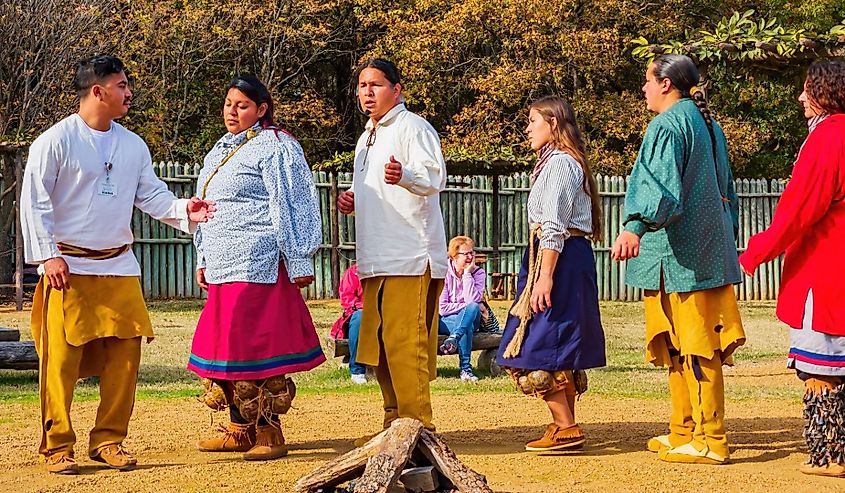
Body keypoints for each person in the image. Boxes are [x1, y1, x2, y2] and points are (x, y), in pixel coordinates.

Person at [20, 55, 215, 475]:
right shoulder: (54, 141)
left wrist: (186, 208)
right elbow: (33, 203)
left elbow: (152, 196)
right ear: (98, 91)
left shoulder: (133, 145)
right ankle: (57, 446)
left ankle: (109, 441)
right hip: (67, 268)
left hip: (120, 267)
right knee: (61, 361)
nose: (129, 93)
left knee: (125, 360)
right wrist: (48, 255)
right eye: (122, 85)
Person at [611, 54, 745, 465]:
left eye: (648, 81)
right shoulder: (706, 123)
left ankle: (712, 439)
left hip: (684, 255)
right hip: (697, 252)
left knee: (698, 345)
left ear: (666, 84)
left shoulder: (668, 125)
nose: (644, 89)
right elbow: (727, 192)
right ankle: (683, 430)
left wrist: (634, 225)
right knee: (677, 345)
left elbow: (660, 187)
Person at [188, 75, 325, 461]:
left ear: (262, 109)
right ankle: (239, 429)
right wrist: (204, 257)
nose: (233, 111)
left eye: (242, 105)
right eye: (229, 103)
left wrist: (298, 257)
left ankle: (270, 432)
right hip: (224, 263)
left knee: (256, 346)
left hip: (258, 261)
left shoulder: (278, 146)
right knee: (229, 348)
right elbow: (206, 206)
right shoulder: (220, 149)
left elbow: (292, 202)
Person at [739, 60, 845, 478]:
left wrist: (754, 253)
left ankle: (831, 454)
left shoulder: (828, 138)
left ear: (828, 92)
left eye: (807, 89)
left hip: (827, 268)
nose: (801, 98)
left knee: (822, 367)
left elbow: (798, 211)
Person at [337, 59, 448, 440]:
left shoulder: (412, 127)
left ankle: (418, 426)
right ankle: (393, 422)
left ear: (396, 90)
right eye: (362, 85)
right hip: (375, 257)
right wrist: (354, 199)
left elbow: (435, 177)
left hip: (409, 253)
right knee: (379, 345)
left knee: (405, 343)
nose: (367, 92)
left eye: (376, 85)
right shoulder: (366, 137)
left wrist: (404, 175)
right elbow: (378, 190)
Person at [495, 95, 606, 452]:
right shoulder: (557, 163)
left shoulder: (559, 164)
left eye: (533, 121)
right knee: (553, 343)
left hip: (557, 259)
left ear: (553, 124)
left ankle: (566, 425)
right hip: (561, 257)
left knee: (538, 343)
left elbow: (554, 226)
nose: (527, 128)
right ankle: (564, 427)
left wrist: (544, 277)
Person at [439, 235, 485, 383]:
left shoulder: (478, 273)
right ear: (454, 256)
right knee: (467, 325)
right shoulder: (444, 272)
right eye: (466, 254)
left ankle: (454, 338)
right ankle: (465, 370)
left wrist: (467, 274)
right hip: (446, 320)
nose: (470, 257)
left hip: (471, 316)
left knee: (472, 308)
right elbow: (443, 308)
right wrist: (467, 307)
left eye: (472, 252)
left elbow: (472, 301)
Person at [330, 263, 367, 384]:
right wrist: (366, 308)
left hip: (385, 310)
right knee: (359, 318)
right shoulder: (353, 272)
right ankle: (357, 371)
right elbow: (347, 299)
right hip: (361, 311)